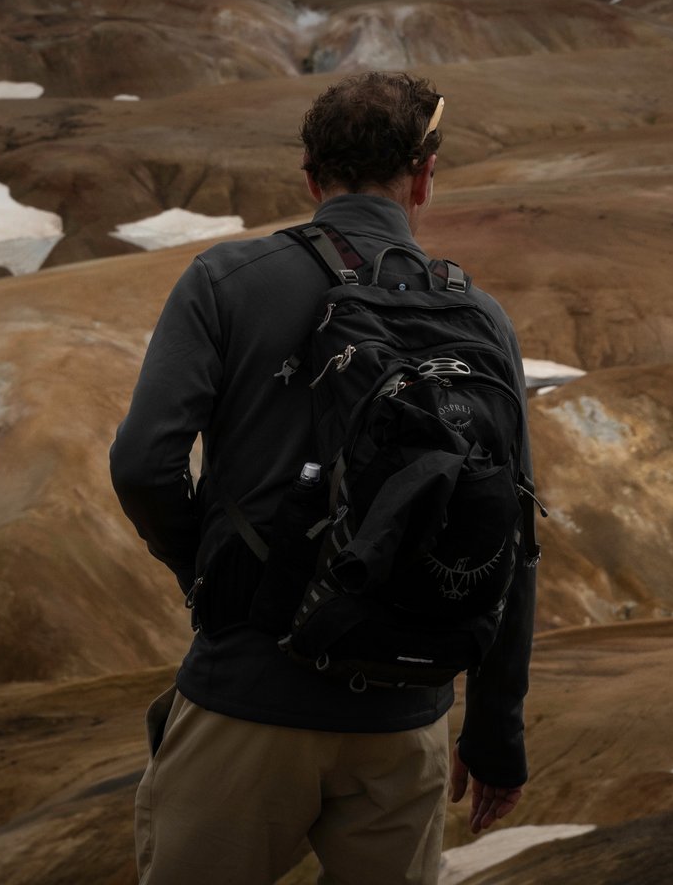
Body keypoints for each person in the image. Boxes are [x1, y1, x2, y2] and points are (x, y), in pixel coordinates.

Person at [111, 70, 536, 885]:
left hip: (249, 699)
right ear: (423, 178)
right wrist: (495, 737)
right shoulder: (480, 319)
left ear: (310, 176)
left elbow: (142, 463)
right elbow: (511, 531)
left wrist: (207, 567)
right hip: (405, 722)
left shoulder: (227, 282)